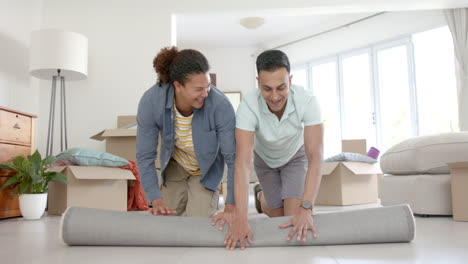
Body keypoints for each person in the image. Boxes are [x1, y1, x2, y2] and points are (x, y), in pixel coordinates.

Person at [222, 50, 324, 250]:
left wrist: (307, 208)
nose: (275, 96)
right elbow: (242, 164)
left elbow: (316, 157)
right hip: (265, 160)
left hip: (294, 157)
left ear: (290, 80)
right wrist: (241, 217)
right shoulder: (248, 107)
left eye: (281, 87)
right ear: (258, 81)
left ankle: (273, 200)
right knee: (277, 218)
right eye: (267, 88)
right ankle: (262, 198)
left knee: (291, 218)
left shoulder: (307, 100)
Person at [136, 46, 235, 221]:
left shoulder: (221, 105)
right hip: (176, 165)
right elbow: (145, 156)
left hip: (206, 170)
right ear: (178, 86)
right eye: (198, 89)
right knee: (167, 220)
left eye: (208, 86)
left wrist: (231, 205)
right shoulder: (151, 102)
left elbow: (233, 159)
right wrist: (155, 200)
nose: (205, 93)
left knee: (198, 223)